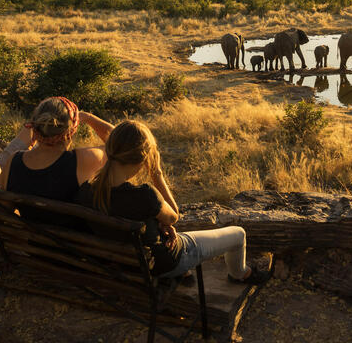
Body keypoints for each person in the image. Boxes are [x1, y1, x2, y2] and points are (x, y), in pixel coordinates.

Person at [77, 120, 268, 284]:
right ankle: (240, 274)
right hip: (163, 263)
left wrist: (156, 223)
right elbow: (173, 216)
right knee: (238, 234)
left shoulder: (86, 190)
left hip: (122, 264)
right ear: (145, 158)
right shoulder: (145, 195)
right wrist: (157, 174)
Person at [0, 96, 108, 226]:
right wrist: (89, 117)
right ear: (71, 130)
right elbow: (123, 143)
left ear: (35, 127)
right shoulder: (83, 160)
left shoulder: (14, 161)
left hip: (31, 242)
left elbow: (2, 212)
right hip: (70, 245)